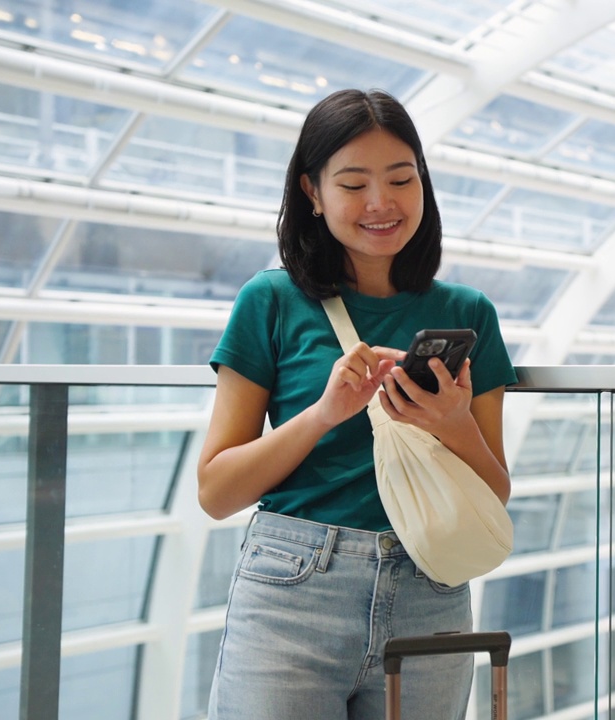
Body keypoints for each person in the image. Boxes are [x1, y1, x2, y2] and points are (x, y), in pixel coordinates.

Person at [196, 88, 516, 720]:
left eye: (402, 178)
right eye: (353, 183)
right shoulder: (271, 301)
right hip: (293, 588)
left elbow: (493, 491)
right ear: (311, 193)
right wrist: (323, 414)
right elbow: (216, 492)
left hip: (432, 588)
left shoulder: (467, 313)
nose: (381, 203)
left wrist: (451, 423)